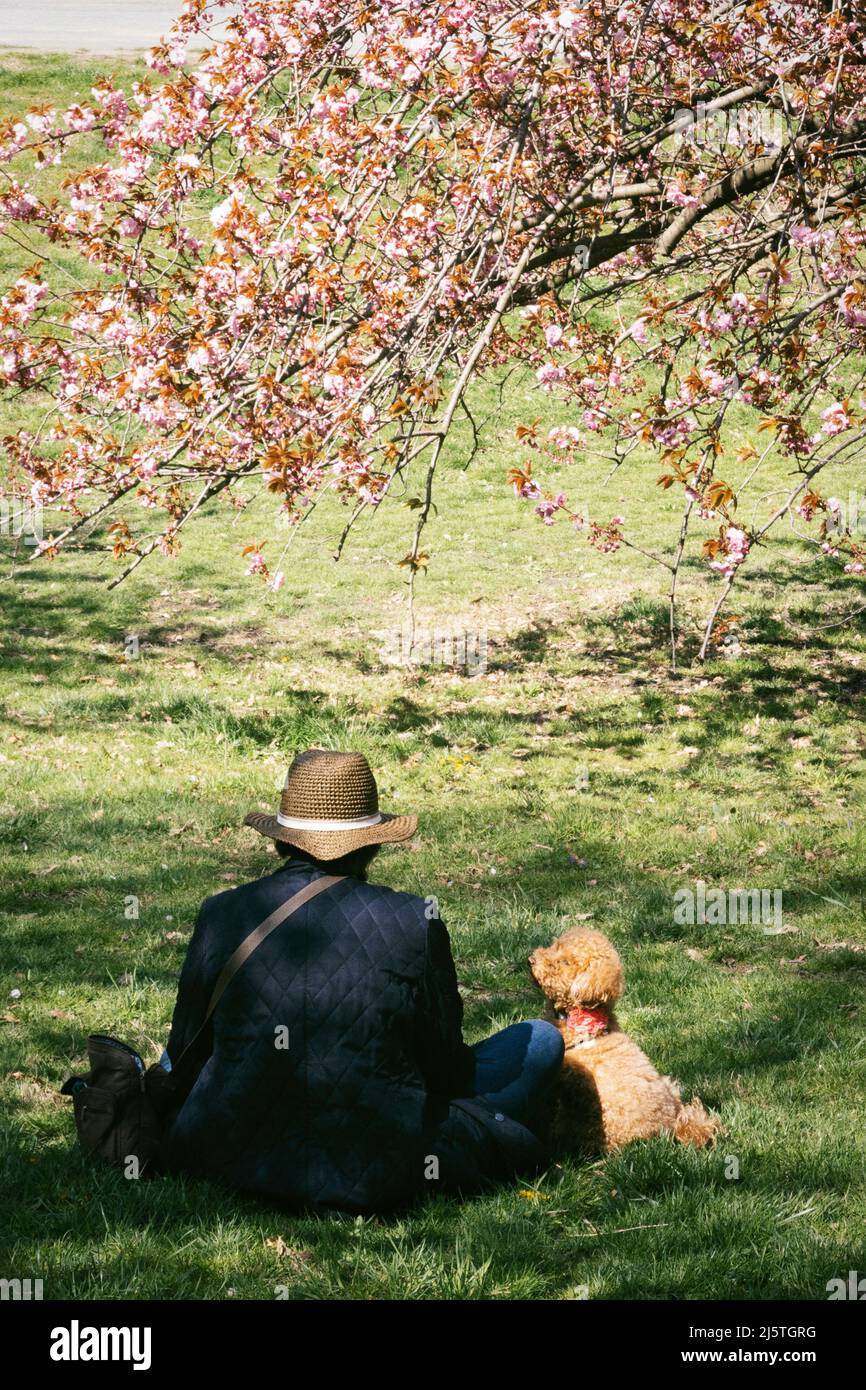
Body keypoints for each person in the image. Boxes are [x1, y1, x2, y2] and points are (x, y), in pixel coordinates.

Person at [159, 748, 564, 1214]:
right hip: (377, 1158)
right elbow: (445, 1067)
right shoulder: (415, 919)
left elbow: (187, 1050)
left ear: (281, 840)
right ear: (371, 843)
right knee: (539, 1040)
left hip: (231, 1150)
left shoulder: (223, 912)